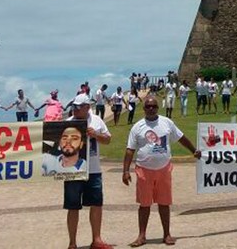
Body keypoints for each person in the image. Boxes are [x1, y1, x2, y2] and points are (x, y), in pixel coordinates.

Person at [123, 95, 201, 247]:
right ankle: (141, 236)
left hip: (164, 169)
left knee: (164, 203)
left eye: (154, 106)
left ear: (158, 108)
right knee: (144, 205)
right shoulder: (137, 127)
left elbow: (181, 137)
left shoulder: (166, 122)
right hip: (144, 169)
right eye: (148, 106)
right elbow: (130, 150)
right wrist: (125, 171)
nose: (151, 109)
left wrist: (194, 150)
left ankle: (167, 234)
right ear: (144, 109)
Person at [63, 93, 113, 249]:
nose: (75, 110)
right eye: (74, 107)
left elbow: (108, 139)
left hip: (93, 169)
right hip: (73, 170)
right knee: (72, 206)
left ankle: (96, 239)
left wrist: (95, 134)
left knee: (96, 204)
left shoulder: (97, 120)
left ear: (87, 107)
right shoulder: (67, 122)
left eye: (78, 107)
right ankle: (72, 243)